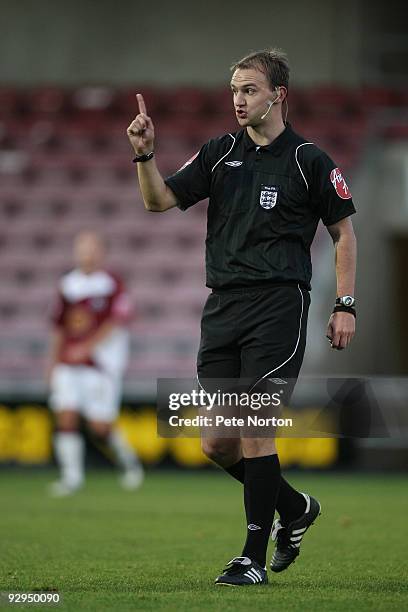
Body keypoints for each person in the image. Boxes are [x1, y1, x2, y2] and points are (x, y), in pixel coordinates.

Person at [127, 48, 357, 586]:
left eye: (249, 90)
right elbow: (158, 201)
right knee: (216, 443)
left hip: (278, 305)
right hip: (224, 307)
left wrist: (344, 303)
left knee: (255, 426)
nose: (238, 99)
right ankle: (296, 508)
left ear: (278, 95)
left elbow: (344, 232)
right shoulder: (218, 152)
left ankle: (251, 557)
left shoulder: (309, 160)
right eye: (234, 89)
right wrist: (145, 156)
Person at [47, 231, 144, 496]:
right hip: (69, 363)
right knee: (66, 416)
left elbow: (117, 321)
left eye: (92, 247)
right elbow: (58, 328)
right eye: (82, 247)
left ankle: (130, 463)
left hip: (101, 365)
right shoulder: (66, 284)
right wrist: (53, 363)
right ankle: (71, 478)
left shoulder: (112, 283)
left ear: (101, 252)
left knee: (100, 427)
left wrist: (87, 347)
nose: (87, 252)